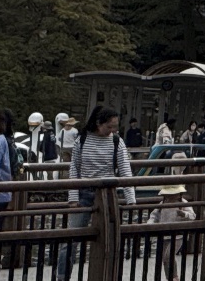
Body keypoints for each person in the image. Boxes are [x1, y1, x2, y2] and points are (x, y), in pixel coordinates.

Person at [55, 106, 136, 280]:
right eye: (109, 126)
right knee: (70, 239)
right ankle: (62, 276)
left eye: (115, 127)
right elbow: (74, 169)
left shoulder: (116, 141)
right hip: (84, 193)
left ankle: (106, 275)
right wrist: (73, 197)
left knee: (109, 239)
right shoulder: (82, 139)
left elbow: (125, 170)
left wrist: (131, 199)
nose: (113, 130)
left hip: (108, 194)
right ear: (98, 123)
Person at [151, 152, 199, 281]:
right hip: (163, 233)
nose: (171, 197)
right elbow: (154, 214)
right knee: (164, 258)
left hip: (177, 234)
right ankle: (171, 277)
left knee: (168, 256)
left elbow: (192, 216)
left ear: (179, 194)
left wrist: (183, 214)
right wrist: (150, 223)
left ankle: (175, 277)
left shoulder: (183, 204)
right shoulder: (162, 203)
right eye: (168, 195)